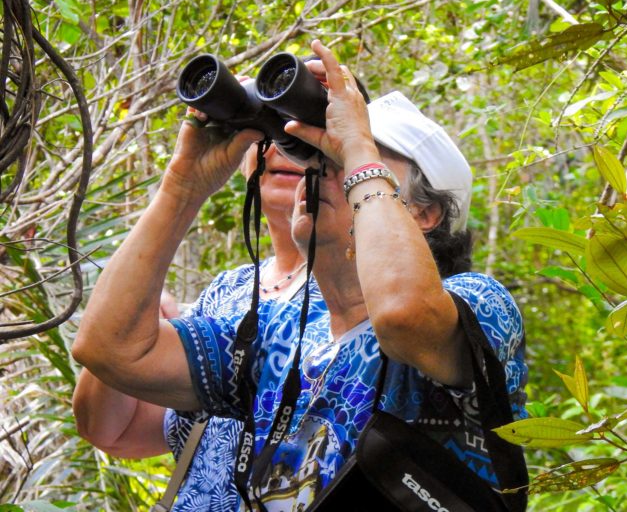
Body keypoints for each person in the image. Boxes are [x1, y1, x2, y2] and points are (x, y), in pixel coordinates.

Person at [72, 40, 527, 510]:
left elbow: (403, 316)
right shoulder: (277, 329)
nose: (320, 168)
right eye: (318, 155)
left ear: (424, 213)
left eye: (346, 162)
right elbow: (110, 350)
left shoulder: (479, 302)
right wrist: (183, 186)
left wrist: (357, 146)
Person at [72, 138, 314, 509]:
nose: (280, 147)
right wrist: (136, 314)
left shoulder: (360, 299)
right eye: (267, 131)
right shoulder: (230, 289)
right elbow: (112, 431)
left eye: (303, 136)